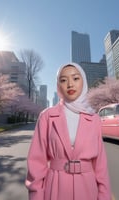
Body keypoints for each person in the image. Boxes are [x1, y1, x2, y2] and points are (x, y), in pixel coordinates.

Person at [25, 62, 112, 200]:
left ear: (83, 81)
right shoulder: (47, 116)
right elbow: (36, 161)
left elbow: (100, 164)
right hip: (54, 188)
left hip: (88, 189)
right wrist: (36, 196)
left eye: (75, 78)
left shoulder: (94, 118)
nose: (70, 84)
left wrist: (104, 196)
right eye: (63, 80)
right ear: (59, 85)